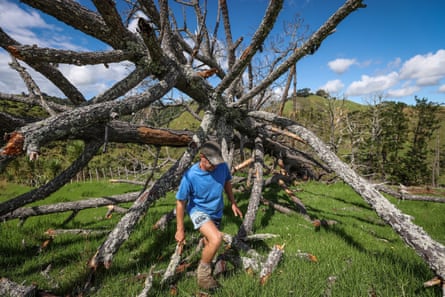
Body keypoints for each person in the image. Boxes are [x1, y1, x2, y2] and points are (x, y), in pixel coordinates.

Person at [175, 141, 243, 290]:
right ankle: (204, 278)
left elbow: (226, 182)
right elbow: (180, 203)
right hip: (198, 211)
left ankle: (213, 267)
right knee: (216, 238)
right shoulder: (190, 176)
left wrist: (233, 202)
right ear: (202, 157)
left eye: (217, 163)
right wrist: (180, 229)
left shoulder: (222, 167)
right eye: (211, 163)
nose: (215, 166)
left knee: (210, 243)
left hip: (216, 211)